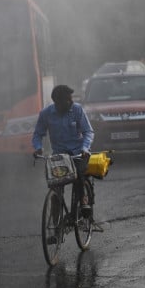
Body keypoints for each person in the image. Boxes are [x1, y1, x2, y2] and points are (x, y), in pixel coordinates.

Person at [32, 85, 95, 215]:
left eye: (71, 99)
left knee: (78, 175)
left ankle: (83, 201)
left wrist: (85, 148)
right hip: (59, 155)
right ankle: (56, 227)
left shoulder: (77, 110)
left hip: (79, 153)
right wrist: (38, 148)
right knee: (55, 187)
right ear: (57, 102)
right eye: (67, 100)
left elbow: (88, 132)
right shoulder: (46, 114)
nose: (71, 102)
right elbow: (38, 134)